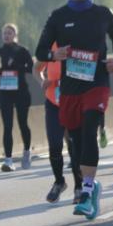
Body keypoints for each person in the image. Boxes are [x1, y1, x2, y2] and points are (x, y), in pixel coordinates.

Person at [35, 0, 113, 220]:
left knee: (89, 131)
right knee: (74, 142)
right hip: (70, 88)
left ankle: (85, 192)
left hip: (97, 83)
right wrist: (55, 54)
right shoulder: (58, 16)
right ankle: (91, 186)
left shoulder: (102, 13)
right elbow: (40, 51)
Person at [35, 49, 81, 203]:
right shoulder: (50, 46)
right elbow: (37, 68)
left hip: (73, 100)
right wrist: (42, 80)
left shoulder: (77, 43)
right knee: (54, 145)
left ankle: (79, 187)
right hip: (53, 102)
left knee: (74, 145)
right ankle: (59, 181)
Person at [0, 23, 34, 171]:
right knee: (7, 126)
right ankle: (8, 160)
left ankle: (26, 151)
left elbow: (30, 68)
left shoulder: (22, 51)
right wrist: (0, 71)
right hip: (5, 91)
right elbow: (6, 67)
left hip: (21, 92)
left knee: (22, 123)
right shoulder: (2, 51)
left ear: (15, 36)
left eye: (9, 33)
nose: (6, 36)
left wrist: (16, 67)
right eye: (4, 33)